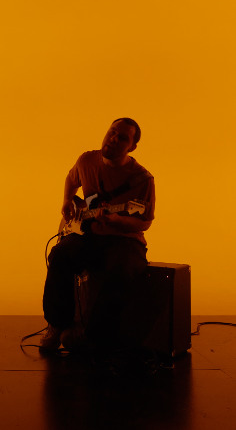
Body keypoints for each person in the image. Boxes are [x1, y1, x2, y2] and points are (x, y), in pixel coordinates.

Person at [41, 118, 155, 352]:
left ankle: (92, 335)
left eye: (122, 137)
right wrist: (66, 200)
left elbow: (144, 222)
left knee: (121, 270)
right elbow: (71, 179)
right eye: (112, 132)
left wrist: (117, 220)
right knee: (60, 255)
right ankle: (57, 325)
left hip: (124, 239)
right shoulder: (86, 161)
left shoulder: (142, 179)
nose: (114, 139)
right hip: (90, 233)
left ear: (132, 147)